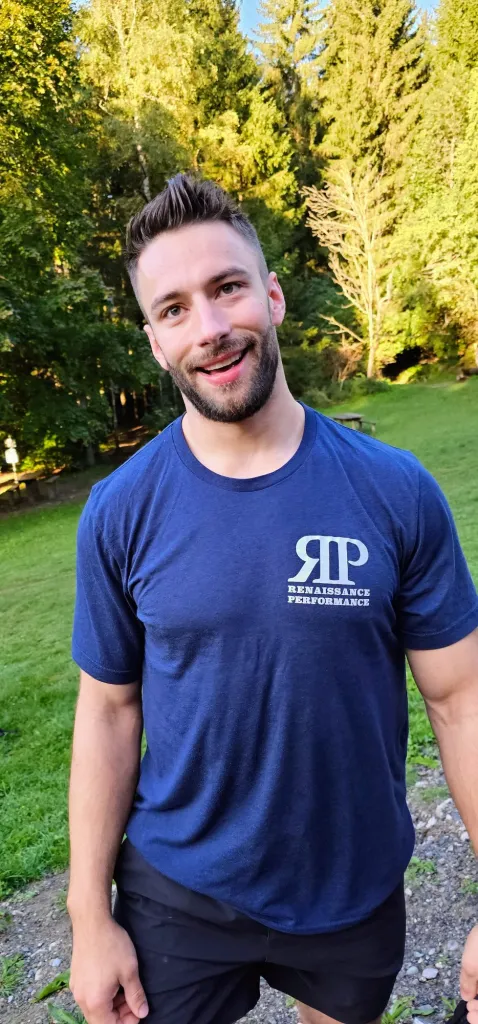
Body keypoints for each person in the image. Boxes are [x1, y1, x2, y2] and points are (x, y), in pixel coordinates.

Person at [68, 174, 478, 1024]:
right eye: (174, 308)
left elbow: (461, 701)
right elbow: (108, 711)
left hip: (351, 886)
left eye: (227, 288)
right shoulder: (120, 511)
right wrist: (87, 917)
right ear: (154, 342)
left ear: (274, 295)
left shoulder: (395, 492)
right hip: (179, 889)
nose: (210, 328)